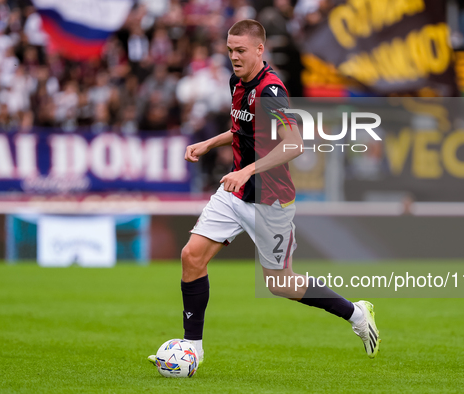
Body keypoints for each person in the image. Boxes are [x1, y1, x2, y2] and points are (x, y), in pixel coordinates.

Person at [149, 20, 380, 368]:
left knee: (279, 284)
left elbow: (295, 144)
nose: (233, 57)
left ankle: (357, 314)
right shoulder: (237, 83)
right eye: (229, 50)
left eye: (240, 50)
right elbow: (241, 127)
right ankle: (192, 347)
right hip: (235, 192)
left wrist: (248, 169)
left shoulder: (272, 91)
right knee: (191, 257)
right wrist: (210, 142)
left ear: (260, 49)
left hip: (271, 202)